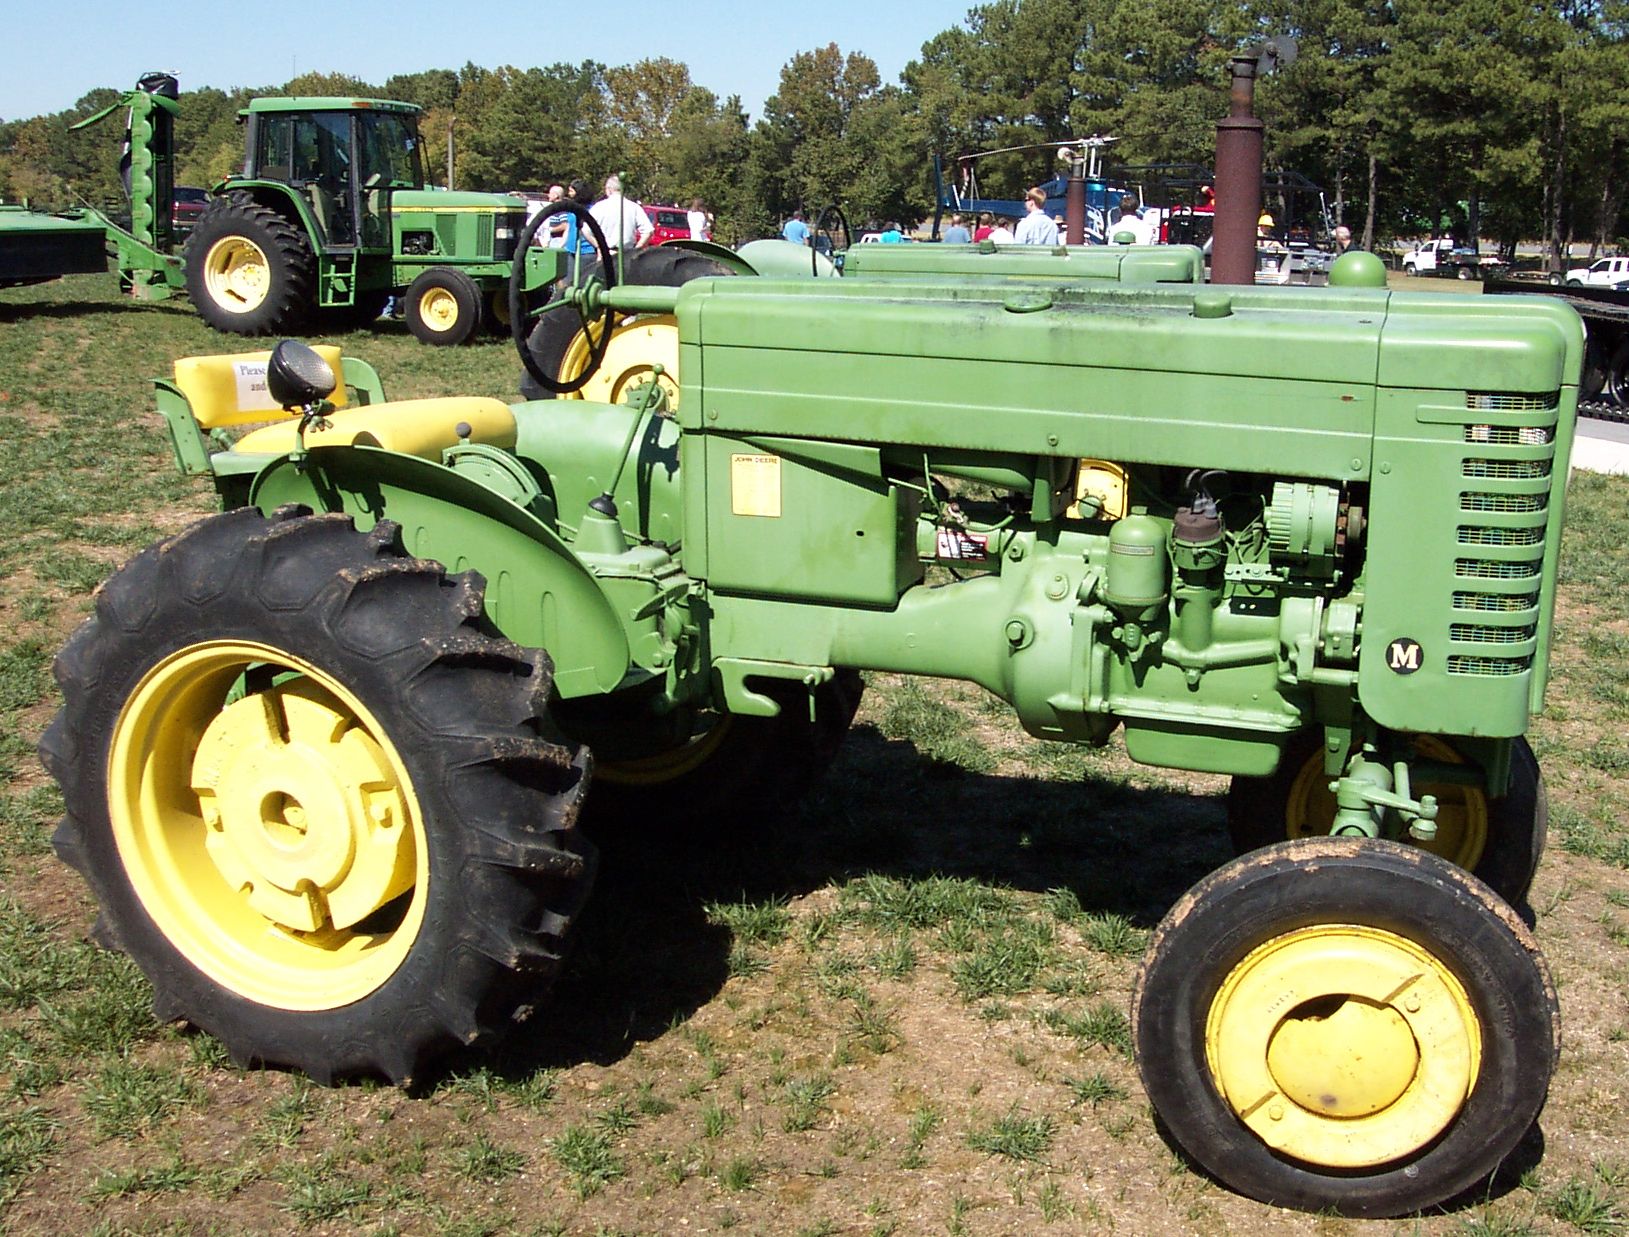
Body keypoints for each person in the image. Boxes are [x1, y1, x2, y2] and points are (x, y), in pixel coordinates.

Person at [588, 174, 654, 256]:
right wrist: (637, 250)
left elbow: (585, 230)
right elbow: (648, 231)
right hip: (627, 254)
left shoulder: (598, 207)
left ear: (609, 189)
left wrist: (599, 246)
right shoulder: (634, 207)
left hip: (606, 254)